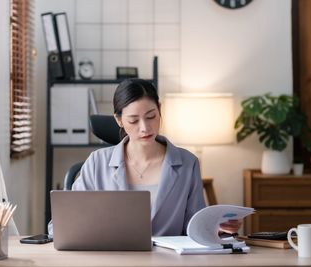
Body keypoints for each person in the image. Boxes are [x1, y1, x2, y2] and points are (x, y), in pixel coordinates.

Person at [49, 78, 240, 236]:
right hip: (110, 260)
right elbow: (62, 223)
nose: (145, 128)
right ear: (119, 121)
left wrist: (217, 228)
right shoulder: (96, 162)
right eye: (133, 120)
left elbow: (195, 225)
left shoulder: (187, 164)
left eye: (151, 116)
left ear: (159, 109)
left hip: (167, 262)